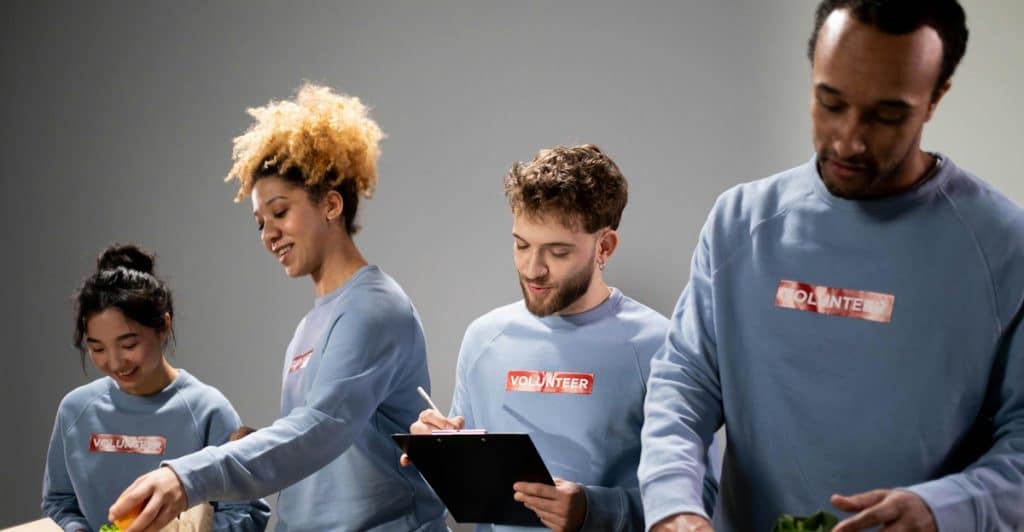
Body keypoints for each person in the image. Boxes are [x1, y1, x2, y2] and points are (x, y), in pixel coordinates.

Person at [639, 1, 1024, 531]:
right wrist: (673, 508)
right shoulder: (738, 223)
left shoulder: (1005, 247)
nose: (848, 139)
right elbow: (683, 385)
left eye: (886, 115)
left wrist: (944, 509)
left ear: (935, 99)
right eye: (830, 102)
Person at [108, 84, 447, 531]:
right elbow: (311, 450)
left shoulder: (374, 310)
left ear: (330, 204)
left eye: (280, 212)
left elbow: (321, 428)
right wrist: (257, 445)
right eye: (260, 222)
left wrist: (187, 477)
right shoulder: (310, 327)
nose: (269, 234)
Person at [409, 144, 718, 531]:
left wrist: (593, 510)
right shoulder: (483, 339)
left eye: (557, 252)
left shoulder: (661, 346)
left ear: (604, 247)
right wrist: (437, 453)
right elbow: (467, 491)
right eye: (521, 245)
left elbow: (704, 495)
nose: (532, 269)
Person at [41, 244, 270, 531]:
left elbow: (246, 511)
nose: (114, 362)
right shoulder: (75, 410)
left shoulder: (207, 410)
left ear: (163, 326)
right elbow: (60, 502)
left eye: (129, 344)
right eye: (97, 348)